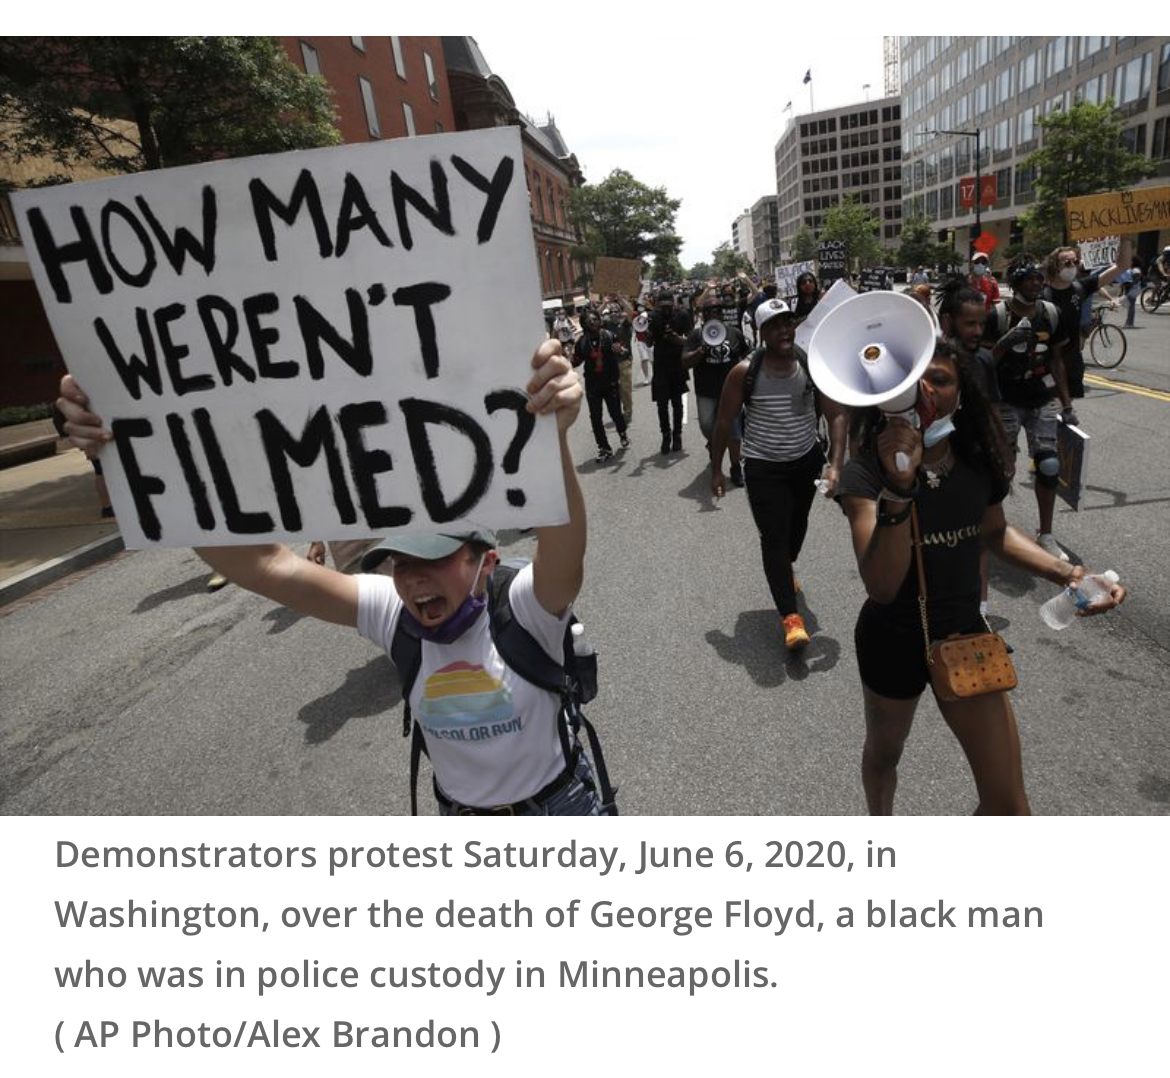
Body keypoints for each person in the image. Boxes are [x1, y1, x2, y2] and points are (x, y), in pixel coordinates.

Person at [56, 340, 609, 816]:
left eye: (433, 559)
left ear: (484, 561)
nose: (413, 581)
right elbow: (264, 564)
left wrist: (550, 437)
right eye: (401, 563)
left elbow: (565, 539)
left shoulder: (527, 606)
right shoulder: (393, 612)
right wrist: (130, 456)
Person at [836, 338, 1125, 815]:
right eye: (913, 382)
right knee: (886, 752)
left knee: (1009, 807)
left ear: (962, 392)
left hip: (964, 635)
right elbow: (883, 586)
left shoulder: (976, 460)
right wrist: (899, 487)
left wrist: (1070, 574)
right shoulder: (865, 475)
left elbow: (995, 531)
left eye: (942, 380)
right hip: (891, 639)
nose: (927, 390)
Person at [710, 298, 848, 650]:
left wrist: (834, 463)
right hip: (763, 467)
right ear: (762, 333)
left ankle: (785, 571)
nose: (784, 330)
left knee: (795, 530)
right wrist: (717, 471)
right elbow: (724, 422)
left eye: (787, 323)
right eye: (774, 326)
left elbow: (835, 415)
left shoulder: (810, 364)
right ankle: (791, 618)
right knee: (773, 538)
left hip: (805, 460)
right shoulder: (744, 372)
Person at [984, 255, 1072, 562]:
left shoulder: (1051, 313)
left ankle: (1045, 534)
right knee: (1000, 468)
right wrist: (1005, 342)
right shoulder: (996, 315)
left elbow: (1057, 361)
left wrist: (1067, 402)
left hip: (1042, 398)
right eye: (1029, 278)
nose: (1036, 283)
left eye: (1039, 278)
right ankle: (992, 526)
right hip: (1006, 399)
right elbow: (985, 364)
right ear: (1017, 282)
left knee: (1049, 465)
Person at [938, 279, 1002, 621]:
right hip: (937, 466)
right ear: (948, 322)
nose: (978, 330)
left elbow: (993, 411)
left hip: (974, 464)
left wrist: (1002, 457)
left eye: (981, 323)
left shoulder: (985, 361)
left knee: (978, 538)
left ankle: (980, 613)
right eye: (969, 323)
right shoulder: (932, 362)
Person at [1042, 240, 1127, 399]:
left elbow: (1121, 266)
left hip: (1073, 363)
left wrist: (1126, 236)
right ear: (1055, 266)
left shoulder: (1080, 288)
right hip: (1048, 365)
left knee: (1066, 411)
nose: (1073, 266)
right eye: (1067, 262)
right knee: (1048, 414)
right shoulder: (1041, 295)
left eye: (1075, 262)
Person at [683, 293, 749, 486]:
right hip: (706, 391)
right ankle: (713, 443)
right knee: (707, 427)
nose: (714, 314)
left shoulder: (734, 332)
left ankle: (735, 467)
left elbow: (747, 355)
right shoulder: (696, 335)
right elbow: (684, 362)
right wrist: (700, 351)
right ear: (703, 315)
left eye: (718, 311)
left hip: (731, 392)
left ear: (722, 314)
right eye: (709, 311)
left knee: (735, 433)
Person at [572, 310, 630, 463]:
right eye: (590, 321)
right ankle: (604, 447)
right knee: (596, 418)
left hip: (610, 383)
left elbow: (624, 351)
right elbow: (576, 362)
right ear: (584, 325)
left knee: (616, 414)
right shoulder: (582, 342)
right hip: (593, 386)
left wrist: (621, 350)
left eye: (595, 320)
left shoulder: (610, 336)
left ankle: (622, 432)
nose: (594, 323)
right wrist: (566, 359)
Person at [648, 289, 693, 454]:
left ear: (673, 304)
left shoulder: (682, 315)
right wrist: (647, 332)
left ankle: (678, 434)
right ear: (658, 305)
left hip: (677, 364)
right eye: (663, 306)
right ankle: (665, 435)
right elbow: (648, 343)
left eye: (669, 306)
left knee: (677, 403)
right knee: (661, 404)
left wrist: (678, 339)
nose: (666, 309)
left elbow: (691, 339)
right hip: (660, 365)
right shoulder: (652, 317)